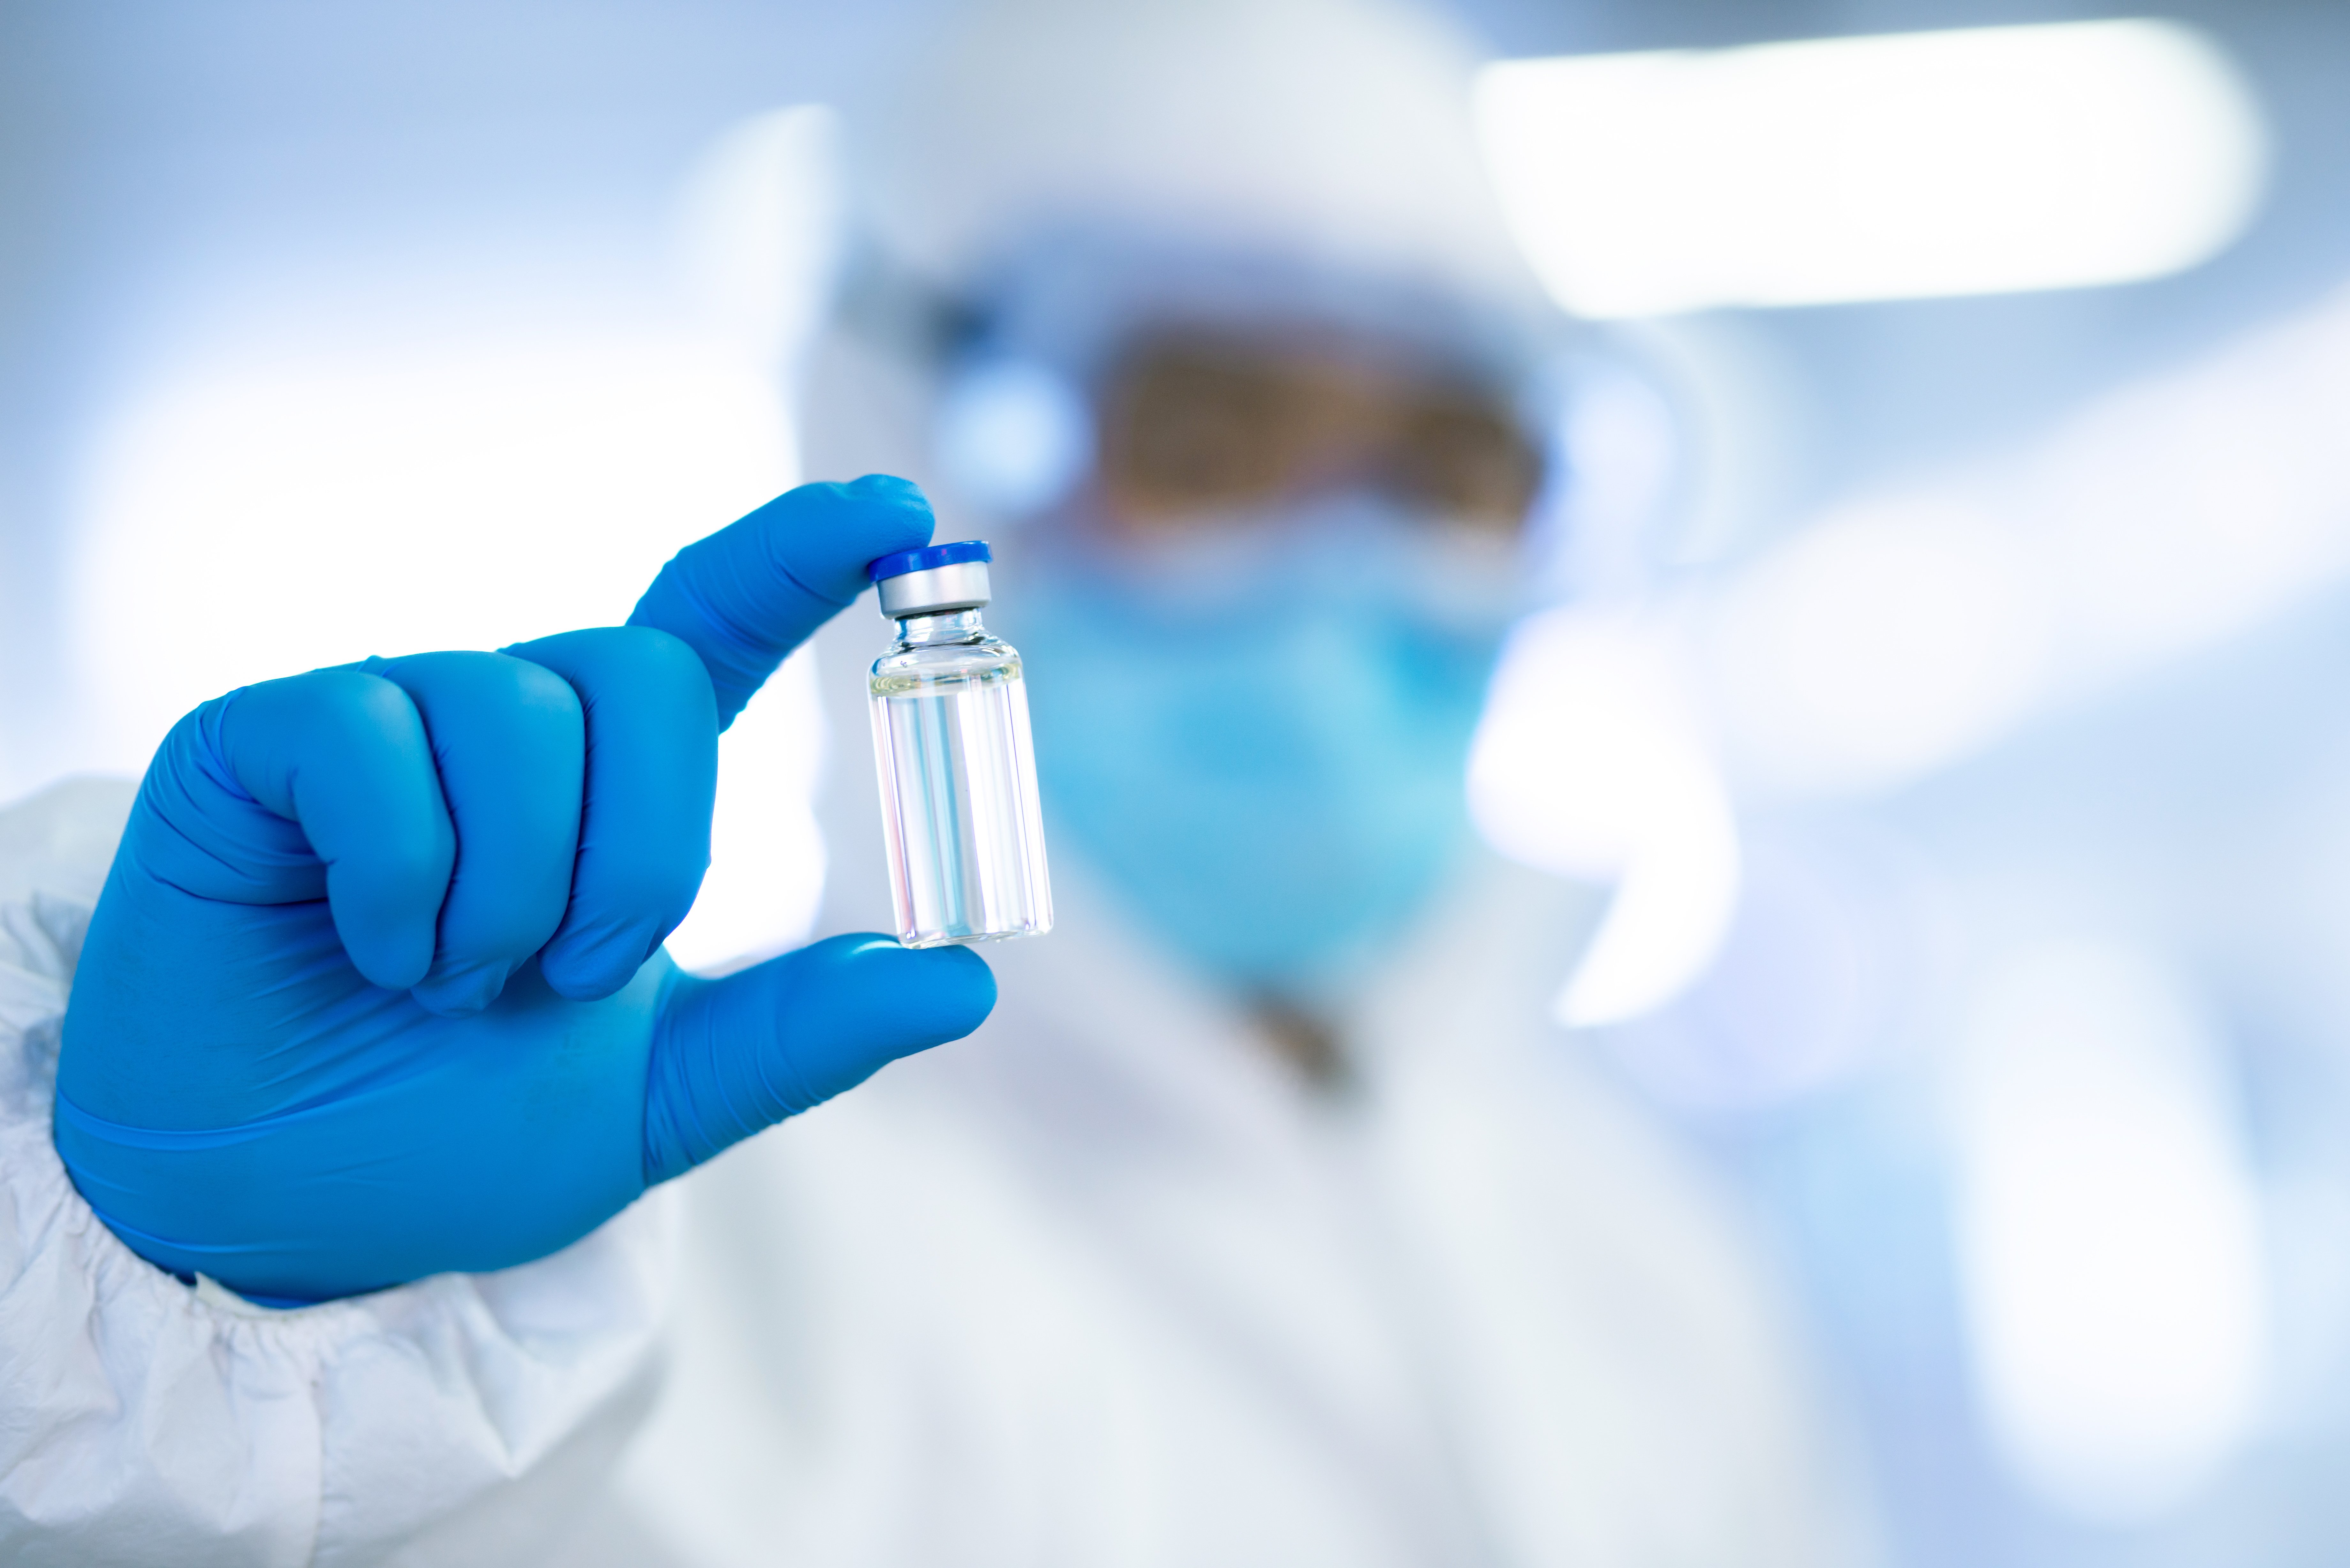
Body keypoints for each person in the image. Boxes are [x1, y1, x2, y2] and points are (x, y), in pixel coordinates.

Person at [0, 0, 1869, 1563]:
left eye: (1449, 469)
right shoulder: (606, 1300)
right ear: (910, 447)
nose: (1347, 567)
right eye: (1206, 437)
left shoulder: (1648, 1262)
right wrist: (196, 1337)